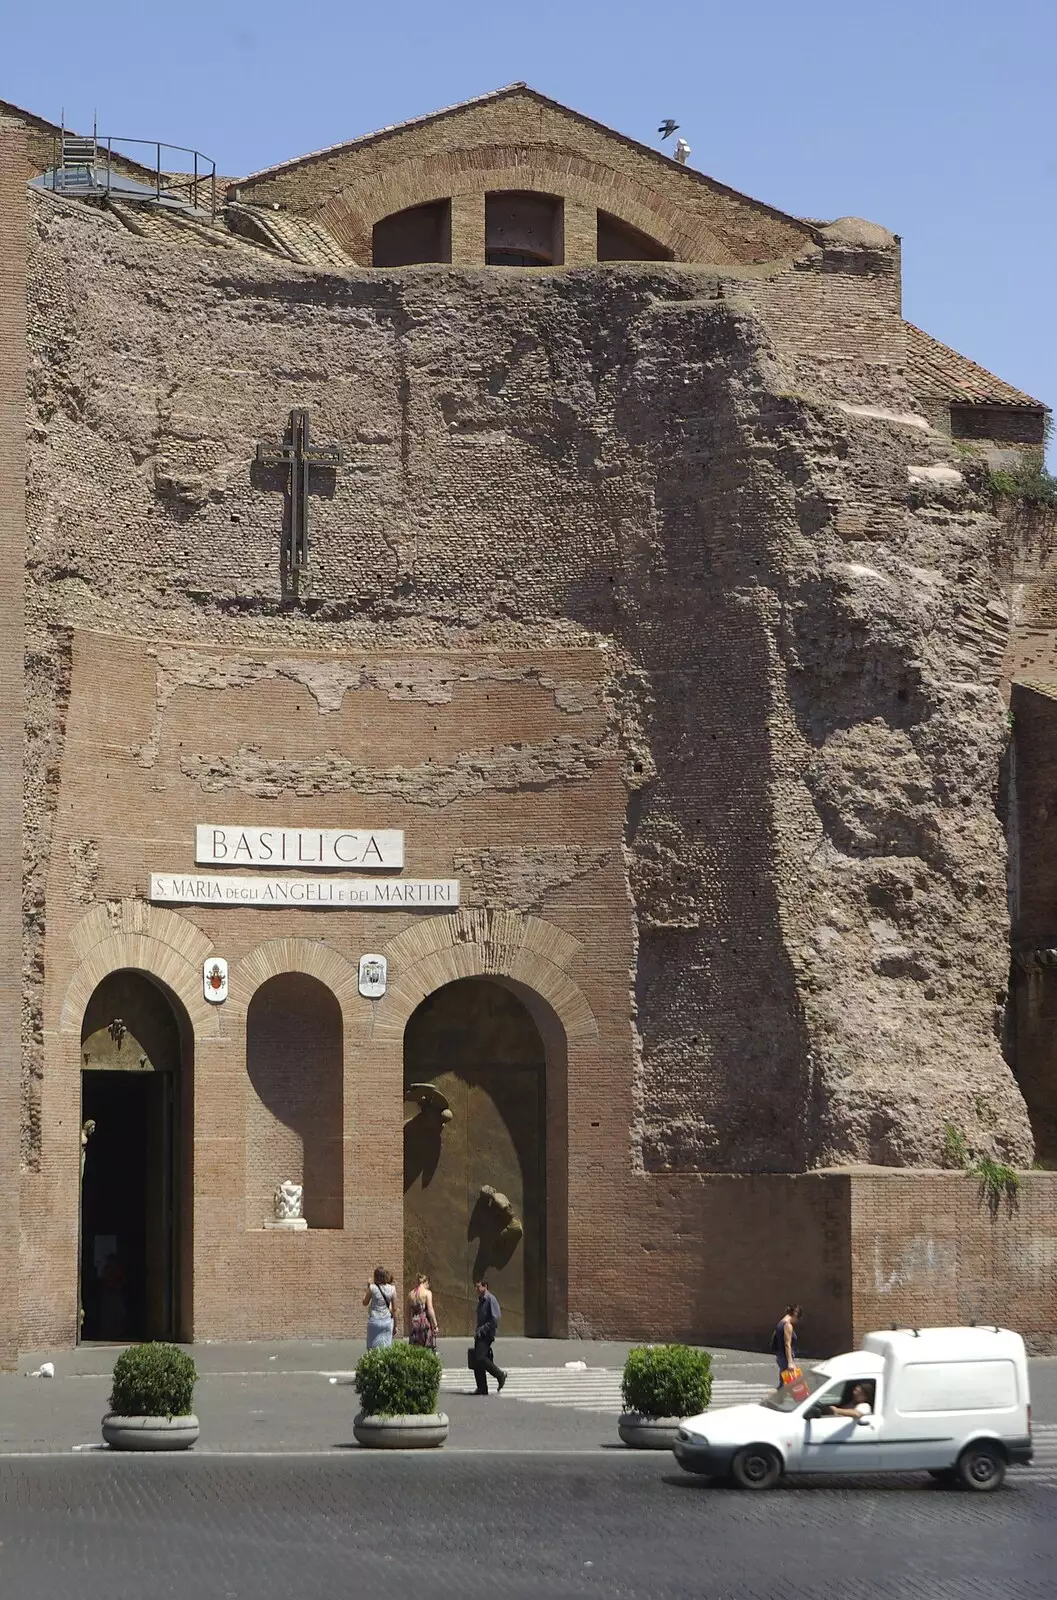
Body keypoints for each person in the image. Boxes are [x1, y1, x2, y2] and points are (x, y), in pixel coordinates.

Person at [472, 1278, 507, 1395]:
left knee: (480, 1358)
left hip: (487, 1333)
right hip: (480, 1333)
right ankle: (482, 1388)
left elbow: (495, 1319)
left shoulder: (490, 1299)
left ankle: (500, 1375)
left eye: (478, 1287)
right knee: (476, 1360)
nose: (476, 1289)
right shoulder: (481, 1300)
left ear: (485, 1286)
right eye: (476, 1287)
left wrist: (483, 1329)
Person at [363, 1267, 397, 1349]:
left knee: (372, 1348)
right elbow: (394, 1309)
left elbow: (365, 1302)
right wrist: (395, 1326)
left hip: (374, 1320)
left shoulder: (372, 1288)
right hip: (387, 1320)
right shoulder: (392, 1289)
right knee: (386, 1347)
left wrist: (368, 1287)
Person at [772, 1304, 802, 1385]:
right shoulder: (787, 1325)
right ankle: (775, 1396)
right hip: (786, 1359)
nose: (797, 1321)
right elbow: (787, 1344)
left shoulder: (780, 1323)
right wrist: (790, 1362)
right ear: (795, 1314)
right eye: (798, 1318)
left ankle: (778, 1396)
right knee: (793, 1386)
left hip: (780, 1356)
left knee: (785, 1385)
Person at [408, 1273, 439, 1350]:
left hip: (414, 1323)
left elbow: (408, 1313)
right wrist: (435, 1325)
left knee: (415, 1350)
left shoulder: (410, 1294)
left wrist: (410, 1328)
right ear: (426, 1282)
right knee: (426, 1348)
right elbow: (430, 1310)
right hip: (424, 1323)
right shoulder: (427, 1293)